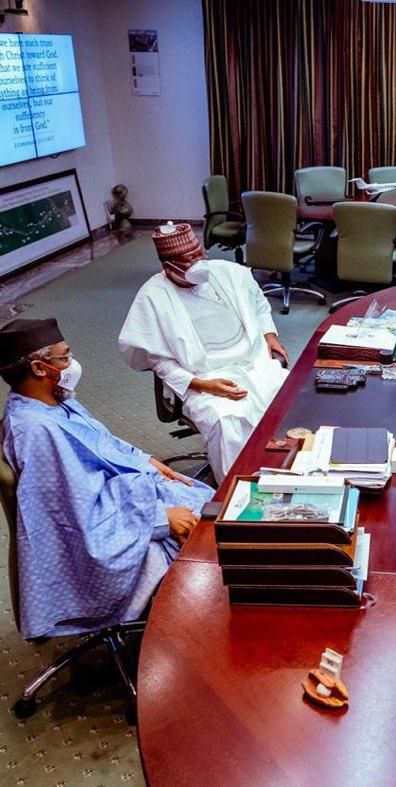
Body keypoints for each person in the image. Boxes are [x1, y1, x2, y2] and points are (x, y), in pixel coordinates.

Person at [0, 318, 213, 640]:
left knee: (212, 505)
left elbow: (104, 441)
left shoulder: (56, 401)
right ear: (41, 368)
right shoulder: (35, 432)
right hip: (113, 527)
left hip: (125, 496)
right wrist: (159, 519)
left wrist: (146, 459)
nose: (72, 365)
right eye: (65, 357)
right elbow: (72, 518)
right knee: (207, 543)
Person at [118, 223, 290, 481]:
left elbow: (258, 303)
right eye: (189, 260)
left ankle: (292, 473)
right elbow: (160, 363)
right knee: (227, 420)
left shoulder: (230, 272)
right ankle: (237, 490)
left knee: (291, 396)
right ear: (168, 266)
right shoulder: (154, 296)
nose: (199, 263)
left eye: (200, 254)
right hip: (204, 376)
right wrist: (204, 385)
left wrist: (269, 334)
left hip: (253, 361)